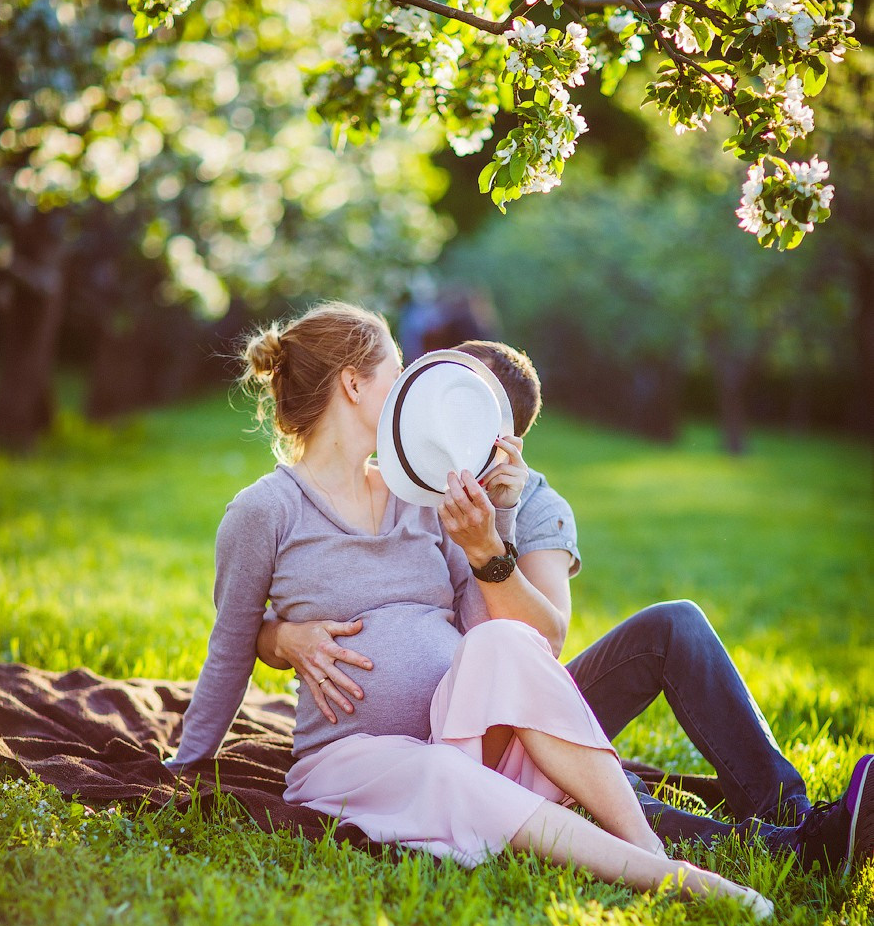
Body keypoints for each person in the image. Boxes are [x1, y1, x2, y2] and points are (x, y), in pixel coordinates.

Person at [171, 300, 773, 917]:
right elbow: (231, 646)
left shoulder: (421, 497)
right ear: (354, 384)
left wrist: (500, 518)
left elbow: (488, 631)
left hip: (457, 731)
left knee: (505, 643)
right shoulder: (263, 511)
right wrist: (186, 765)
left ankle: (646, 844)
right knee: (441, 775)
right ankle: (664, 878)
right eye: (396, 370)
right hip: (352, 759)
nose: (412, 387)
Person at [257, 336, 873, 876]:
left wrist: (489, 540)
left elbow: (539, 641)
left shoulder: (536, 504)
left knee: (674, 626)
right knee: (587, 792)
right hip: (409, 738)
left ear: (503, 439)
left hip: (512, 701)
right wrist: (281, 637)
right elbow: (297, 578)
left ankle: (790, 816)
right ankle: (797, 843)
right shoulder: (392, 477)